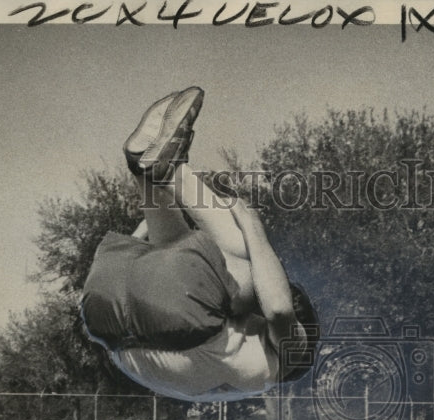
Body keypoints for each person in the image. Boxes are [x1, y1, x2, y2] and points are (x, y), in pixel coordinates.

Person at [80, 86, 320, 402]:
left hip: (149, 317)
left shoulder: (292, 355)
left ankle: (171, 171)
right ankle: (145, 175)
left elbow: (277, 308)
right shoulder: (253, 374)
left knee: (246, 269)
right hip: (105, 319)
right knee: (180, 278)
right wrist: (128, 250)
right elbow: (170, 290)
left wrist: (252, 225)